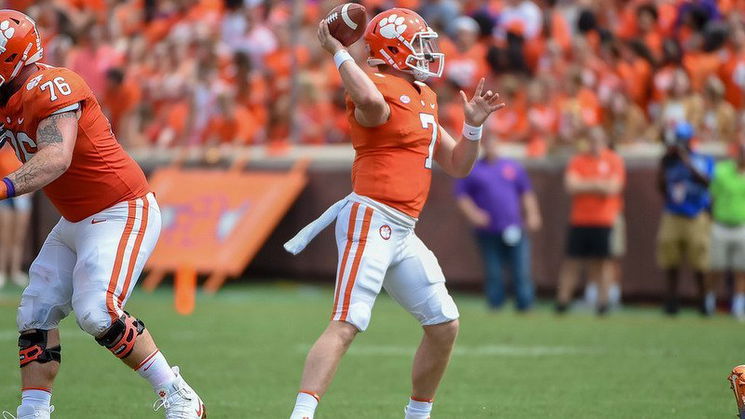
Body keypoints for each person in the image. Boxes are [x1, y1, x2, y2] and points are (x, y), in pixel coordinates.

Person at [283, 8, 505, 419]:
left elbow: (458, 164)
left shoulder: (424, 97)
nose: (427, 54)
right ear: (393, 48)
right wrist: (337, 51)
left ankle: (417, 415)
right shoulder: (373, 86)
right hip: (371, 219)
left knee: (444, 324)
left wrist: (473, 127)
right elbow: (369, 100)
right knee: (346, 323)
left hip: (403, 230)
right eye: (418, 45)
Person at [0, 11, 205, 419]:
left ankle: (179, 396)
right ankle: (33, 411)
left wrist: (4, 187)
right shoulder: (6, 98)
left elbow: (56, 158)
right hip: (75, 219)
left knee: (98, 311)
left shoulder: (53, 85)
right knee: (35, 313)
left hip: (120, 209)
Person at [454, 136, 541, 311]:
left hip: (514, 226)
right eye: (488, 144)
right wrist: (474, 214)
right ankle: (495, 304)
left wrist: (533, 214)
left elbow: (526, 192)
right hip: (488, 229)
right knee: (493, 270)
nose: (491, 147)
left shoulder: (511, 167)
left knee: (521, 268)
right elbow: (461, 196)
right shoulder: (475, 168)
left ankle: (525, 304)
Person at [556, 127, 626, 315]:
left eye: (598, 139)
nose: (595, 143)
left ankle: (603, 303)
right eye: (591, 139)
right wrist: (598, 184)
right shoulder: (578, 160)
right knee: (572, 261)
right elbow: (571, 185)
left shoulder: (613, 160)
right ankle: (563, 301)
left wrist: (586, 184)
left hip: (605, 219)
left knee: (604, 262)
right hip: (580, 219)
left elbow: (613, 188)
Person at [657, 122, 714, 315]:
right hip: (673, 212)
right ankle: (671, 301)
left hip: (696, 213)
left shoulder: (701, 158)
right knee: (670, 261)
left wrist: (686, 160)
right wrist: (664, 162)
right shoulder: (669, 161)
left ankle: (703, 302)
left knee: (700, 263)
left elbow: (707, 182)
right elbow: (661, 188)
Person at [706, 142, 745, 318]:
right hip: (721, 224)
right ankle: (709, 302)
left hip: (742, 225)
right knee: (716, 267)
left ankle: (738, 306)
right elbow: (711, 196)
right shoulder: (721, 171)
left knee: (741, 269)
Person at [0, 146, 31, 288]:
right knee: (4, 236)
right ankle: (2, 272)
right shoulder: (2, 149)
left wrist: (29, 192)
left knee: (19, 236)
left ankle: (15, 271)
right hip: (5, 195)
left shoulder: (21, 148)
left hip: (22, 195)